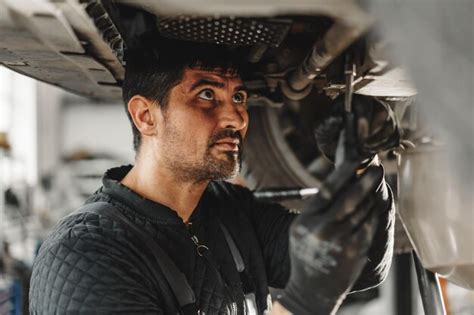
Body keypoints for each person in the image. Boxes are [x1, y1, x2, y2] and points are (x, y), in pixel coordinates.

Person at [29, 38, 398, 315]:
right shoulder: (85, 253)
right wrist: (302, 303)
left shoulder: (228, 210)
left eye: (238, 97)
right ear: (146, 117)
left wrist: (361, 163)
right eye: (207, 94)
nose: (236, 118)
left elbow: (363, 266)